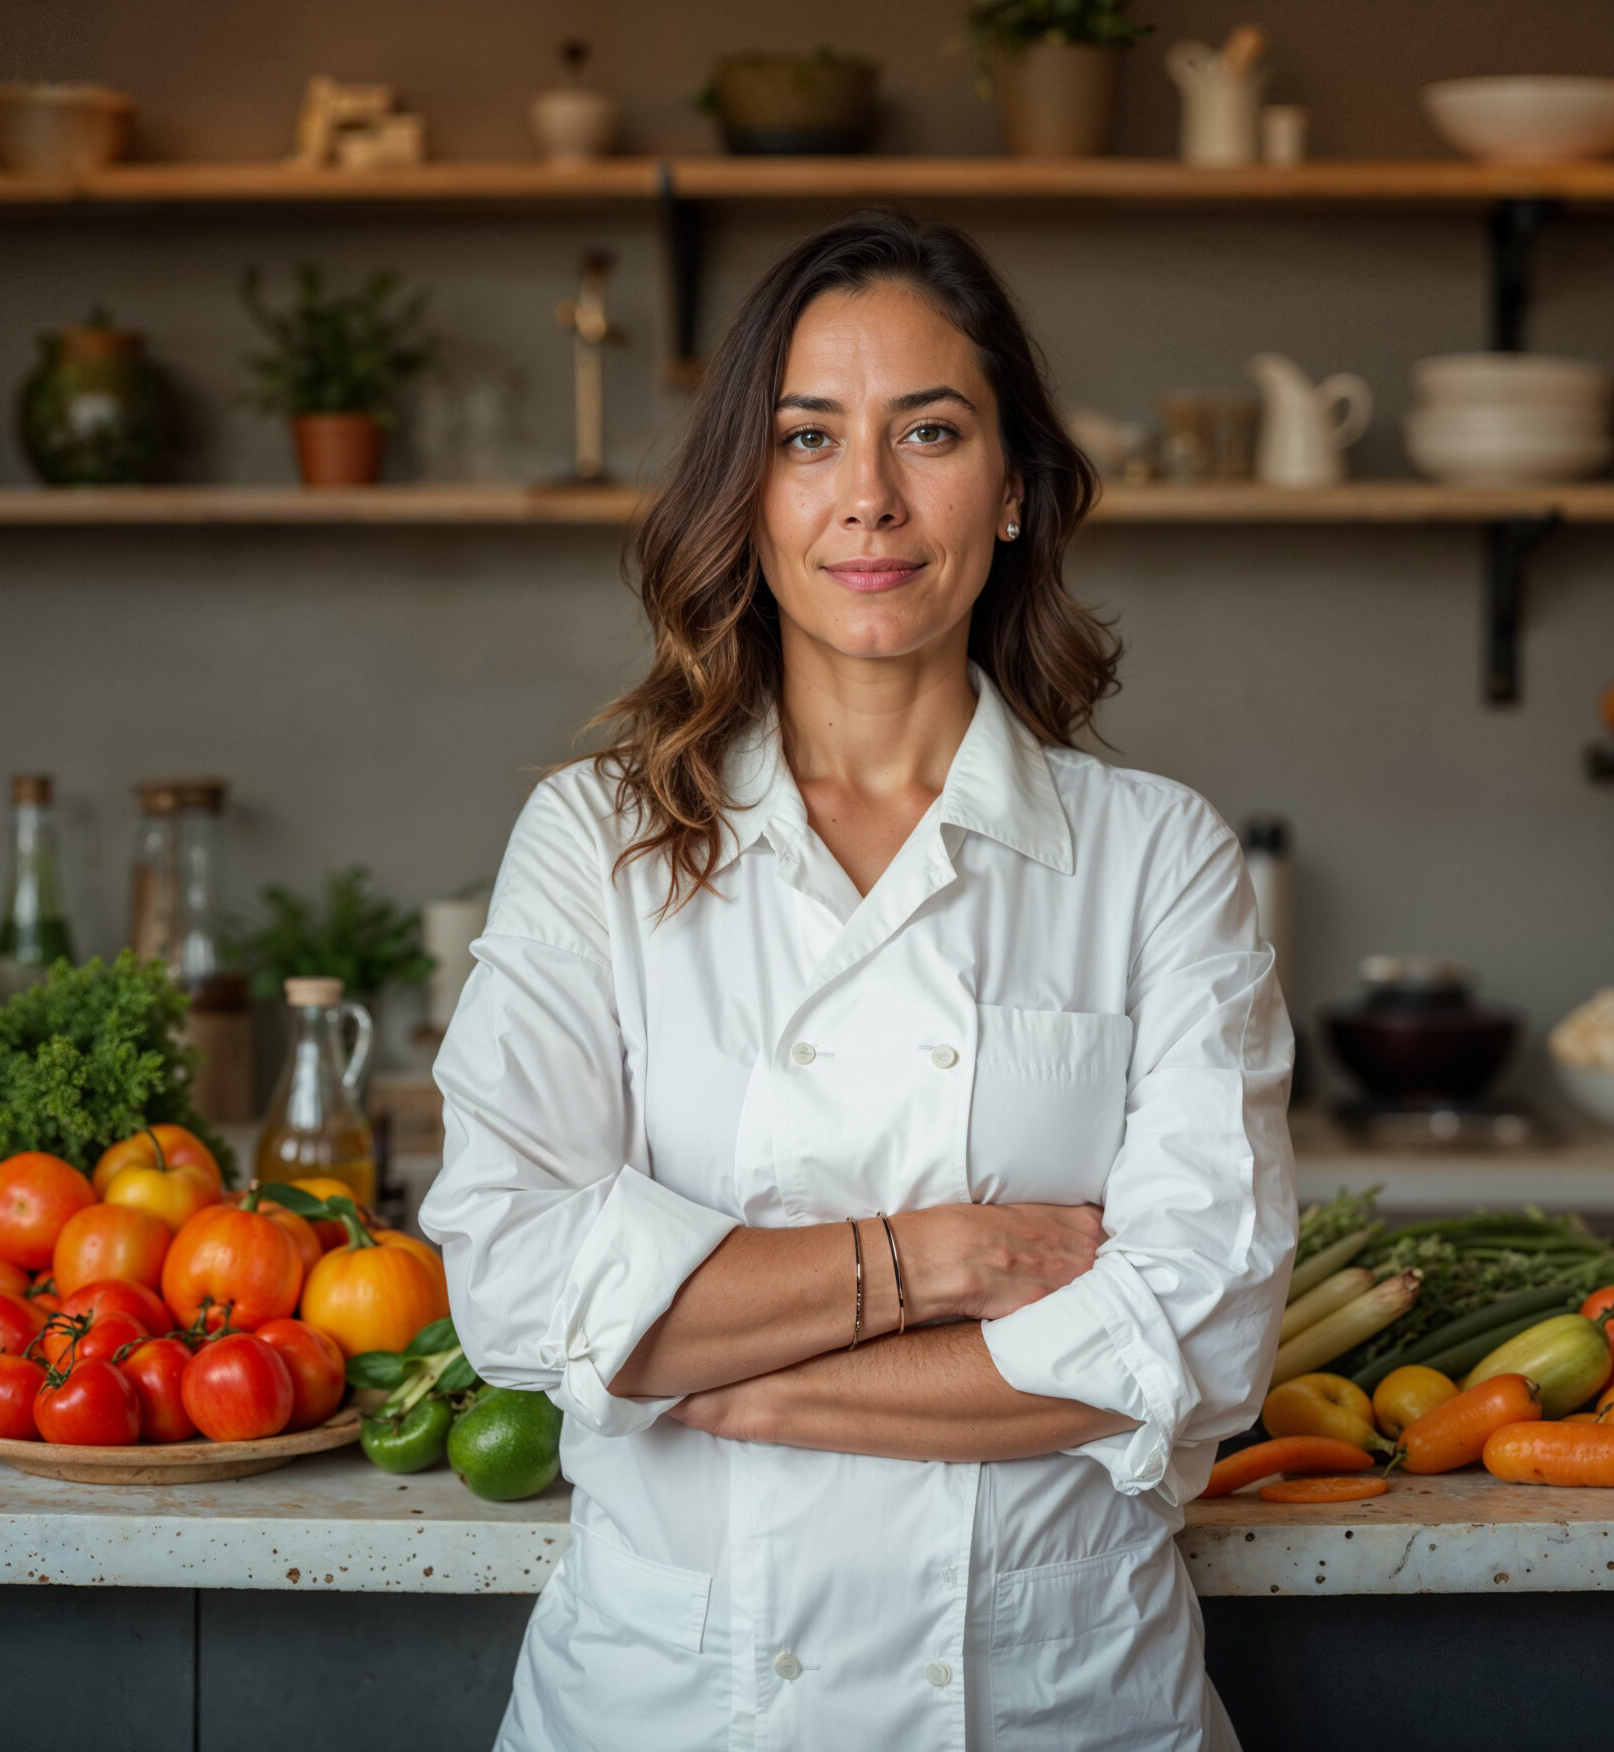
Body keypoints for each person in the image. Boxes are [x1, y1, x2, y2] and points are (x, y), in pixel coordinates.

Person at [420, 208, 1295, 1751]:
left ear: (1014, 488)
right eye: (810, 437)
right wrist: (936, 1261)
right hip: (676, 1707)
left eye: (932, 432)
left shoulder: (1156, 858)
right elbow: (514, 1286)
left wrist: (719, 1378)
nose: (871, 499)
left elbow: (1192, 1347)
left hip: (1058, 1706)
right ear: (747, 496)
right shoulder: (598, 840)